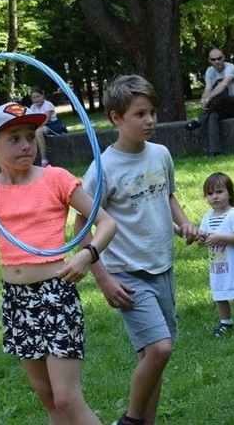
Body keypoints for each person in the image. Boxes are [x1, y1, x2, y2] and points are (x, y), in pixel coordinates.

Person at [0, 102, 116, 424]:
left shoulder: (54, 178)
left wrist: (88, 254)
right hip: (16, 301)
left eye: (30, 136)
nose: (26, 145)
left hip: (55, 294)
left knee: (67, 399)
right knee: (49, 400)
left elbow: (107, 223)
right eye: (13, 138)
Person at [75, 75, 200, 425]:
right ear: (117, 118)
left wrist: (184, 223)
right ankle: (130, 421)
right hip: (127, 274)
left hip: (162, 267)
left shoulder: (160, 154)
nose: (150, 121)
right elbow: (82, 229)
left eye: (152, 113)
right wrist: (103, 280)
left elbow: (168, 195)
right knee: (160, 349)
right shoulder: (103, 169)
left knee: (153, 356)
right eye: (140, 114)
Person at [198, 172, 234, 336]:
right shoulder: (207, 218)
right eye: (210, 193)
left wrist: (220, 237)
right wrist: (200, 238)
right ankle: (225, 322)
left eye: (219, 192)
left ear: (229, 194)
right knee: (219, 294)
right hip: (217, 266)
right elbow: (202, 238)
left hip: (233, 265)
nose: (215, 197)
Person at [185, 47, 234, 156]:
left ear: (224, 58)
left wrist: (209, 99)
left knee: (220, 95)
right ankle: (215, 151)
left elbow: (223, 85)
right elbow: (208, 89)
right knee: (212, 115)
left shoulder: (230, 68)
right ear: (209, 60)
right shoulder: (210, 71)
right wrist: (203, 100)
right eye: (213, 59)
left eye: (219, 58)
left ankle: (199, 120)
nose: (217, 61)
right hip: (219, 106)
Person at [26, 86, 68, 167]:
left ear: (42, 96)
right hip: (39, 126)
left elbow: (46, 119)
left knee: (38, 132)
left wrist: (35, 127)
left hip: (52, 126)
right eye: (34, 98)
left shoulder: (48, 105)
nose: (36, 99)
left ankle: (44, 159)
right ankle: (30, 158)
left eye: (38, 96)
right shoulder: (32, 107)